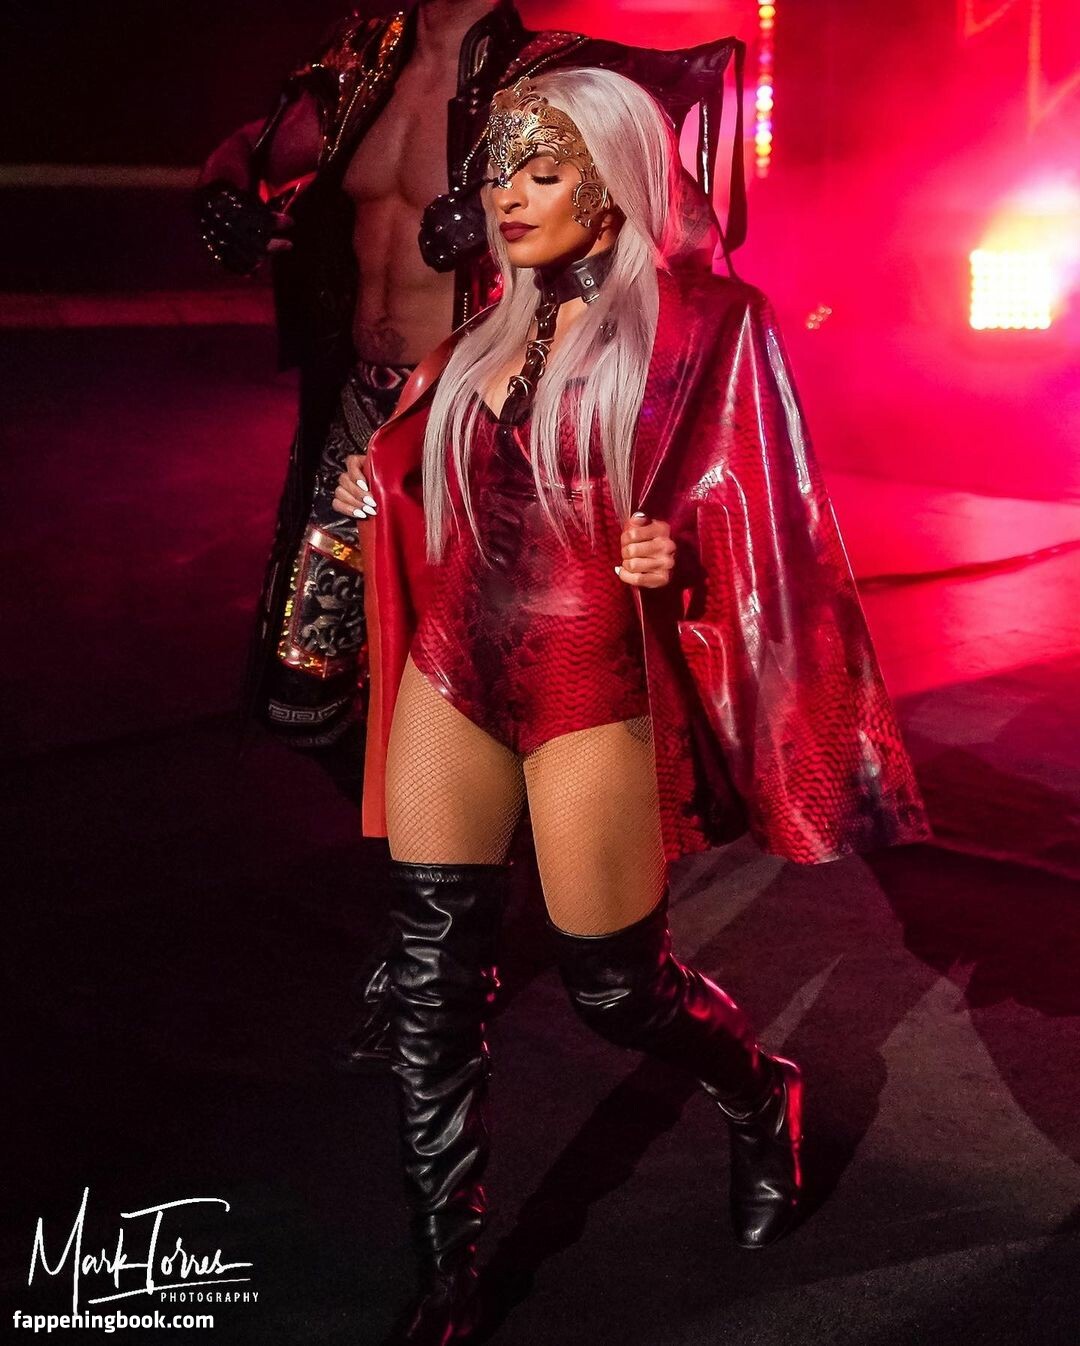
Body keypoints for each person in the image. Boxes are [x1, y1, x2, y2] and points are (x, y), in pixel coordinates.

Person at [333, 69, 930, 1344]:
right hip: (454, 661)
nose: (508, 198)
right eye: (500, 172)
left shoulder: (711, 322)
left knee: (613, 988)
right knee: (432, 979)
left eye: (542, 173)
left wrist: (679, 551)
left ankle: (759, 1089)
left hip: (587, 673)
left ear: (610, 188)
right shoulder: (488, 323)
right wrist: (378, 488)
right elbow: (436, 479)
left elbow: (764, 505)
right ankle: (448, 1277)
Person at [197, 0, 749, 1067]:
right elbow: (251, 151)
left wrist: (515, 252)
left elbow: (683, 229)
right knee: (299, 691)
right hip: (363, 423)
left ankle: (450, 921)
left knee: (489, 687)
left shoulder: (551, 73)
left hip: (487, 436)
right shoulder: (360, 65)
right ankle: (459, 865)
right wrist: (222, 194)